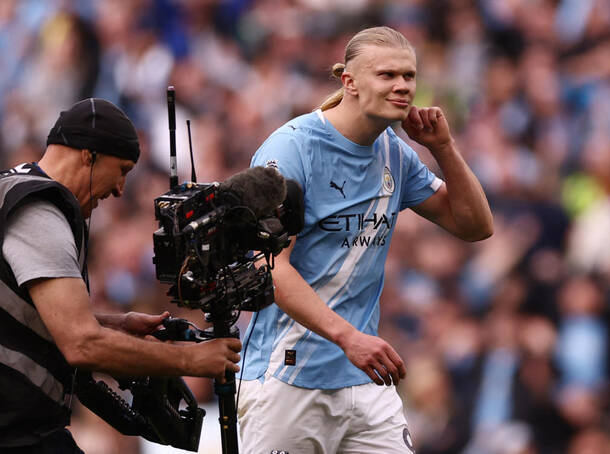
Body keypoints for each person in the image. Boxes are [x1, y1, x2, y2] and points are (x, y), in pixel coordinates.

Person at [238, 26, 493, 453]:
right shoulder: (291, 149)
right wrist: (348, 338)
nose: (403, 86)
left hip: (363, 379)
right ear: (350, 82)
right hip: (287, 376)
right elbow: (269, 267)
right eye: (387, 75)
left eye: (409, 76)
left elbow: (475, 226)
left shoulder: (395, 153)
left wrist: (444, 147)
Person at [0, 98, 242, 453]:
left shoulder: (14, 187)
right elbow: (81, 343)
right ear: (89, 155)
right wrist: (193, 360)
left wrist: (117, 323)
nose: (119, 190)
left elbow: (26, 312)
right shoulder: (39, 211)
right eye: (122, 169)